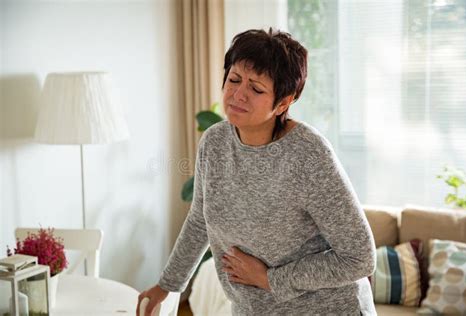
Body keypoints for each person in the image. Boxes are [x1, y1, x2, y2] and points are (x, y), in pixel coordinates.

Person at [137, 28, 377, 315]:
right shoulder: (214, 142)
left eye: (256, 88)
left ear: (284, 102)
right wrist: (167, 285)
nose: (238, 95)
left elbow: (360, 258)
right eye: (234, 80)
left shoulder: (308, 155)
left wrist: (270, 279)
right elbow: (201, 219)